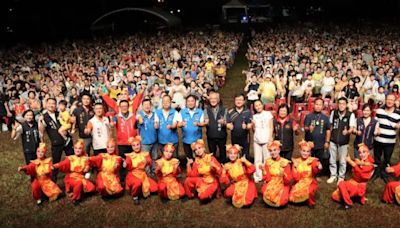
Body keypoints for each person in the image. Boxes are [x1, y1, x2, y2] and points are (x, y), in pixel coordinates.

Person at [39, 98, 74, 181]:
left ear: (56, 105)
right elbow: (41, 131)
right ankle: (53, 181)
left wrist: (72, 122)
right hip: (56, 142)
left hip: (67, 141)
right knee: (55, 163)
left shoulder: (60, 113)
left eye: (53, 103)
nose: (51, 105)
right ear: (46, 105)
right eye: (49, 103)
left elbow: (69, 122)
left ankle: (73, 177)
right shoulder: (44, 117)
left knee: (71, 159)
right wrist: (40, 122)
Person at [331, 144, 375, 209]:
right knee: (335, 195)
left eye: (364, 152)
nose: (362, 154)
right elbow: (357, 167)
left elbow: (360, 173)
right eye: (360, 152)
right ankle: (352, 198)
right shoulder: (361, 161)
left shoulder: (370, 165)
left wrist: (350, 162)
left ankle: (348, 203)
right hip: (353, 183)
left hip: (358, 187)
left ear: (368, 153)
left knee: (341, 184)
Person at [53, 139, 95, 205]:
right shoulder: (70, 158)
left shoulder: (85, 158)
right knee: (78, 183)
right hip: (71, 177)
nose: (77, 150)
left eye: (80, 148)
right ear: (73, 148)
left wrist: (87, 168)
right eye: (76, 148)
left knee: (91, 188)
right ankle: (76, 199)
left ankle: (77, 190)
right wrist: (55, 166)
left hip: (80, 177)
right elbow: (62, 164)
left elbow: (88, 166)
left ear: (82, 149)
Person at [327, 97, 356, 184]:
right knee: (332, 159)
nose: (341, 105)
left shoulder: (350, 115)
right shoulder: (333, 113)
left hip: (344, 141)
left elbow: (351, 128)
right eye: (340, 104)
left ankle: (341, 177)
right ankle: (333, 175)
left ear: (346, 105)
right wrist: (328, 139)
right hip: (333, 140)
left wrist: (347, 132)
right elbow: (330, 126)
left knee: (343, 161)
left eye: (343, 104)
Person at [372, 94, 400, 183]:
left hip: (390, 141)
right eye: (388, 99)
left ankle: (384, 174)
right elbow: (375, 121)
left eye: (391, 100)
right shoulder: (379, 110)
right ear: (385, 100)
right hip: (378, 139)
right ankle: (376, 173)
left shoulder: (398, 113)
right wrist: (376, 128)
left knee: (387, 159)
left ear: (394, 101)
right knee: (377, 158)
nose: (389, 101)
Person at [220, 144, 257, 208]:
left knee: (247, 202)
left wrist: (246, 161)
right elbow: (224, 182)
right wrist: (223, 171)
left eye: (235, 153)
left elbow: (253, 169)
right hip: (237, 184)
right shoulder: (227, 165)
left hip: (247, 183)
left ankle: (249, 193)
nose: (232, 155)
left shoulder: (241, 161)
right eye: (230, 153)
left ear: (238, 154)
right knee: (227, 193)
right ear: (228, 154)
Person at [124, 136, 158, 204]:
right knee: (137, 183)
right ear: (131, 147)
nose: (136, 147)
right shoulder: (130, 156)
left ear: (140, 145)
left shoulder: (145, 154)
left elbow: (150, 162)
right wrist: (126, 164)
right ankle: (135, 196)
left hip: (143, 174)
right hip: (133, 175)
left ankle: (140, 190)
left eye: (137, 145)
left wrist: (147, 162)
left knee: (155, 188)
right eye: (134, 145)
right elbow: (128, 165)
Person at [289, 140, 322, 208]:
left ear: (310, 153)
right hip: (299, 182)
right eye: (303, 151)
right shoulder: (296, 161)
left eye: (307, 151)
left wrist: (319, 168)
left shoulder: (313, 160)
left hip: (310, 181)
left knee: (309, 191)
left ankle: (310, 202)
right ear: (300, 151)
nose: (305, 153)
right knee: (291, 198)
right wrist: (294, 167)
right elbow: (296, 178)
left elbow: (315, 171)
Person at [304, 98, 331, 175]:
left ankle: (318, 173)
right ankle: (309, 173)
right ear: (313, 105)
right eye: (316, 104)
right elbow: (305, 128)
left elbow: (328, 130)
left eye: (320, 105)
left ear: (323, 106)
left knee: (320, 159)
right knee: (309, 159)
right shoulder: (309, 116)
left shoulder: (325, 118)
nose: (318, 106)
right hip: (309, 143)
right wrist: (309, 128)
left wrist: (327, 142)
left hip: (321, 143)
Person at [260, 141, 292, 208]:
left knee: (283, 201)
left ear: (279, 150)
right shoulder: (268, 162)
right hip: (272, 182)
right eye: (271, 151)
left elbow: (288, 181)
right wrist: (263, 170)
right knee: (263, 190)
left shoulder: (285, 162)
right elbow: (268, 179)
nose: (273, 152)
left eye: (275, 150)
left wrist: (283, 175)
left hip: (282, 183)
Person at [251, 99, 273, 183]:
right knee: (257, 159)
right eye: (256, 106)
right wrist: (253, 126)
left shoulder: (268, 114)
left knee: (267, 158)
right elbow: (254, 130)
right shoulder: (254, 116)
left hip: (266, 139)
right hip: (257, 139)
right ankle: (258, 175)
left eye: (259, 105)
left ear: (262, 105)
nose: (258, 107)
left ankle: (267, 175)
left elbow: (271, 126)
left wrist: (270, 137)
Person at [178, 95, 205, 162]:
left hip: (197, 140)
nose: (190, 103)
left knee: (199, 158)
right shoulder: (182, 112)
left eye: (192, 101)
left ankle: (200, 171)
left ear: (195, 102)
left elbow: (203, 123)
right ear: (186, 103)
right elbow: (178, 124)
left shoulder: (200, 112)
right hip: (186, 140)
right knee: (189, 159)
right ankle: (191, 171)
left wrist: (198, 124)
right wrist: (181, 124)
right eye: (188, 101)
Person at [204, 91, 228, 163]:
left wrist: (224, 122)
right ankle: (213, 171)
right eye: (211, 99)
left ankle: (223, 169)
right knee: (212, 155)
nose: (213, 100)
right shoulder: (206, 110)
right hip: (211, 136)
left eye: (215, 98)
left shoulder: (224, 109)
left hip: (222, 136)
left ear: (218, 100)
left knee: (222, 154)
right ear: (209, 100)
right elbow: (205, 121)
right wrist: (206, 123)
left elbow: (227, 122)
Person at [227, 94, 253, 159]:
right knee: (235, 156)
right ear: (234, 101)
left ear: (244, 101)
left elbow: (250, 124)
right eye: (237, 100)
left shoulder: (248, 111)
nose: (238, 102)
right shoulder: (231, 112)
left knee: (245, 157)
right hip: (234, 137)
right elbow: (227, 123)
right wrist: (228, 126)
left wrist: (247, 126)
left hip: (245, 138)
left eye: (240, 100)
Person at [136, 98, 159, 174]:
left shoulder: (154, 114)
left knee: (154, 158)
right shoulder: (140, 115)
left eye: (148, 104)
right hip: (144, 142)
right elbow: (136, 125)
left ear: (151, 106)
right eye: (145, 105)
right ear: (142, 106)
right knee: (146, 159)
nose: (147, 106)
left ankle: (154, 171)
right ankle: (147, 174)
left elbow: (157, 123)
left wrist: (157, 124)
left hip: (154, 141)